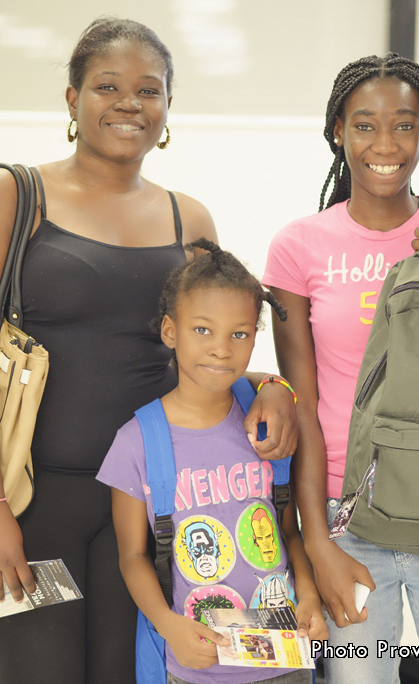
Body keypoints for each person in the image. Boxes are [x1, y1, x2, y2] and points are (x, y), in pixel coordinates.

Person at [0, 17, 296, 684]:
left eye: (148, 90)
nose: (129, 103)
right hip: (25, 506)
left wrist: (276, 388)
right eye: (108, 86)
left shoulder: (191, 222)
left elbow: (210, 357)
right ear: (73, 100)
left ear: (166, 109)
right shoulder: (10, 196)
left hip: (147, 512)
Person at [263, 54, 419, 684]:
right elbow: (303, 403)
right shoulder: (299, 248)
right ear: (338, 132)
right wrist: (317, 542)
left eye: (404, 125)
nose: (385, 144)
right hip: (348, 518)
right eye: (365, 125)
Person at [98, 240, 326, 684]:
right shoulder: (137, 443)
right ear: (170, 331)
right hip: (197, 667)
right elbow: (132, 557)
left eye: (238, 334)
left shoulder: (267, 424)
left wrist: (310, 594)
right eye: (203, 330)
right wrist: (169, 627)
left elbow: (287, 531)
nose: (222, 349)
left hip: (282, 659)